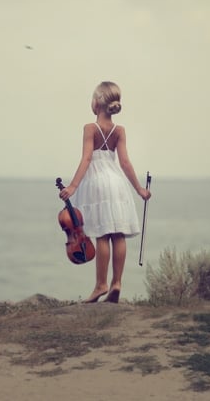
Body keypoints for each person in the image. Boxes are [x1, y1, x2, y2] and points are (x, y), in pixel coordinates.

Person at [59, 81, 151, 303]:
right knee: (118, 234)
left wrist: (72, 186)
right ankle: (116, 283)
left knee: (102, 234)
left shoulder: (90, 128)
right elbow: (126, 162)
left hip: (98, 183)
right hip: (117, 183)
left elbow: (87, 158)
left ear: (97, 103)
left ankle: (101, 285)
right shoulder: (119, 131)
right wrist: (139, 189)